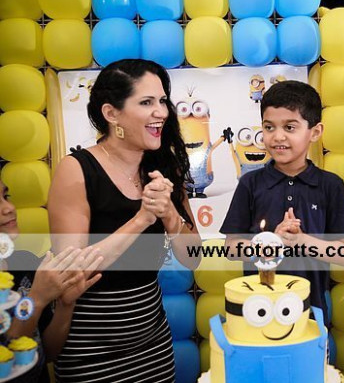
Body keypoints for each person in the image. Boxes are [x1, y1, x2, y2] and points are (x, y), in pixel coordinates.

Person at [47, 59, 202, 382]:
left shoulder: (164, 166)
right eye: (146, 102)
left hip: (153, 346)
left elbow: (193, 258)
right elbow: (71, 273)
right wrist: (142, 218)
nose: (161, 112)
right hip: (91, 353)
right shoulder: (76, 169)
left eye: (162, 101)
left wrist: (169, 215)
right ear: (111, 113)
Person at [221, 80, 344, 320]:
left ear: (315, 132)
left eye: (289, 127)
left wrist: (301, 240)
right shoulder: (250, 184)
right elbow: (231, 248)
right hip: (257, 313)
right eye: (269, 127)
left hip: (310, 312)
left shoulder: (330, 185)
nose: (277, 137)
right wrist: (269, 244)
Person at [0, 177, 103, 382]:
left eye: (5, 196)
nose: (9, 208)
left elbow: (48, 352)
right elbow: (7, 355)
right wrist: (36, 300)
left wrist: (66, 304)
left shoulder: (25, 262)